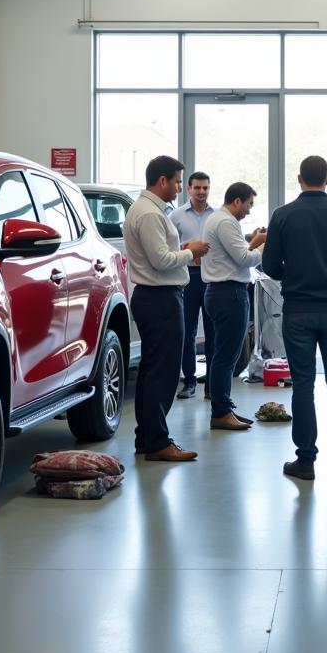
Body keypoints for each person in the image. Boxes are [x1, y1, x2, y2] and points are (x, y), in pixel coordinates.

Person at [262, 155, 327, 480]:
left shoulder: (282, 216)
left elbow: (270, 266)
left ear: (299, 178)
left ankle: (305, 461)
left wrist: (295, 275)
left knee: (303, 386)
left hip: (297, 312)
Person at [123, 155, 209, 462]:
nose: (178, 188)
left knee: (152, 371)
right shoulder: (149, 214)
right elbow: (161, 261)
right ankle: (158, 441)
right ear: (162, 181)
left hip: (156, 298)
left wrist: (182, 251)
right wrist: (190, 251)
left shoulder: (151, 210)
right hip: (159, 299)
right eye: (176, 182)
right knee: (163, 373)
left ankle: (147, 437)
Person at [201, 182, 267, 432]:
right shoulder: (226, 222)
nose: (249, 211)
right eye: (249, 204)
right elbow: (244, 259)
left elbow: (234, 254)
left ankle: (224, 407)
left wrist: (251, 240)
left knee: (222, 355)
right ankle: (220, 412)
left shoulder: (218, 219)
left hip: (220, 292)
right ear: (237, 201)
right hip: (229, 294)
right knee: (226, 358)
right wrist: (261, 244)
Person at [170, 171, 215, 400]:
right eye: (197, 188)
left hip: (211, 279)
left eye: (205, 188)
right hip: (186, 278)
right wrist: (187, 250)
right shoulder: (176, 216)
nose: (201, 192)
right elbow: (168, 248)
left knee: (212, 331)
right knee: (187, 331)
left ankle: (212, 383)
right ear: (188, 189)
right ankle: (189, 381)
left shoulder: (216, 216)